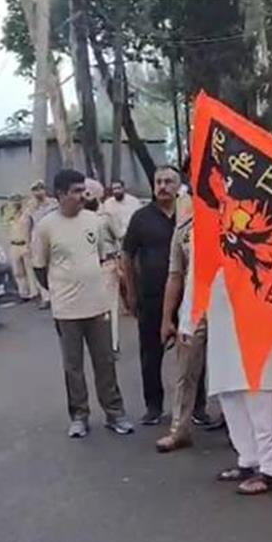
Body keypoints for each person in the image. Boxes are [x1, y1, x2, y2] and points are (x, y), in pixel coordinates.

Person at [32, 169, 134, 438]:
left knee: (105, 362)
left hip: (97, 305)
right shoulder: (45, 227)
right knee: (73, 366)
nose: (82, 196)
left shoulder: (94, 221)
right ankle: (79, 416)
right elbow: (40, 268)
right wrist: (58, 289)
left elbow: (100, 257)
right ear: (60, 194)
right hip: (66, 310)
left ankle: (115, 413)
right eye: (76, 191)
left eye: (83, 190)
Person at [210, 271, 272, 495]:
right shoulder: (201, 237)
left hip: (255, 317)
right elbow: (196, 277)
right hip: (219, 319)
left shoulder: (261, 234)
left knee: (257, 392)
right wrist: (187, 320)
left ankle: (270, 469)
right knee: (228, 392)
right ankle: (248, 458)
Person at [122, 166, 180, 425]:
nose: (163, 186)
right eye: (159, 181)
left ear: (178, 185)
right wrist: (131, 293)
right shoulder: (141, 218)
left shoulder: (189, 215)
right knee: (151, 354)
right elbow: (127, 255)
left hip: (187, 296)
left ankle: (196, 407)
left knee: (192, 355)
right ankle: (154, 406)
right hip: (151, 296)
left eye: (168, 181)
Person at [154, 215, 215, 452]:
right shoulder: (185, 230)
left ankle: (239, 432)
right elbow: (175, 275)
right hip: (193, 309)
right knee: (185, 372)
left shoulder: (236, 219)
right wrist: (167, 318)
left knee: (231, 374)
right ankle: (179, 430)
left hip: (228, 309)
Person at [84, 178, 122, 354]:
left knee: (106, 305)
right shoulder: (88, 218)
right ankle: (106, 343)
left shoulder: (101, 217)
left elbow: (119, 237)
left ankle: (109, 343)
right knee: (102, 305)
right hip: (96, 265)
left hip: (104, 263)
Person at [28, 180, 57, 310]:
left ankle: (56, 295)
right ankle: (46, 297)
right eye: (35, 190)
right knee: (39, 267)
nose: (38, 192)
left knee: (54, 266)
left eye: (40, 189)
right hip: (37, 239)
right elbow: (28, 225)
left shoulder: (53, 204)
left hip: (52, 237)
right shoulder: (30, 207)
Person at [3, 194, 39, 302]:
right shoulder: (10, 216)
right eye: (13, 202)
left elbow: (32, 202)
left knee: (30, 270)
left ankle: (34, 293)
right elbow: (5, 225)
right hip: (14, 245)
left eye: (17, 201)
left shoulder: (26, 215)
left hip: (25, 244)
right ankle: (23, 293)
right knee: (18, 272)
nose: (15, 204)